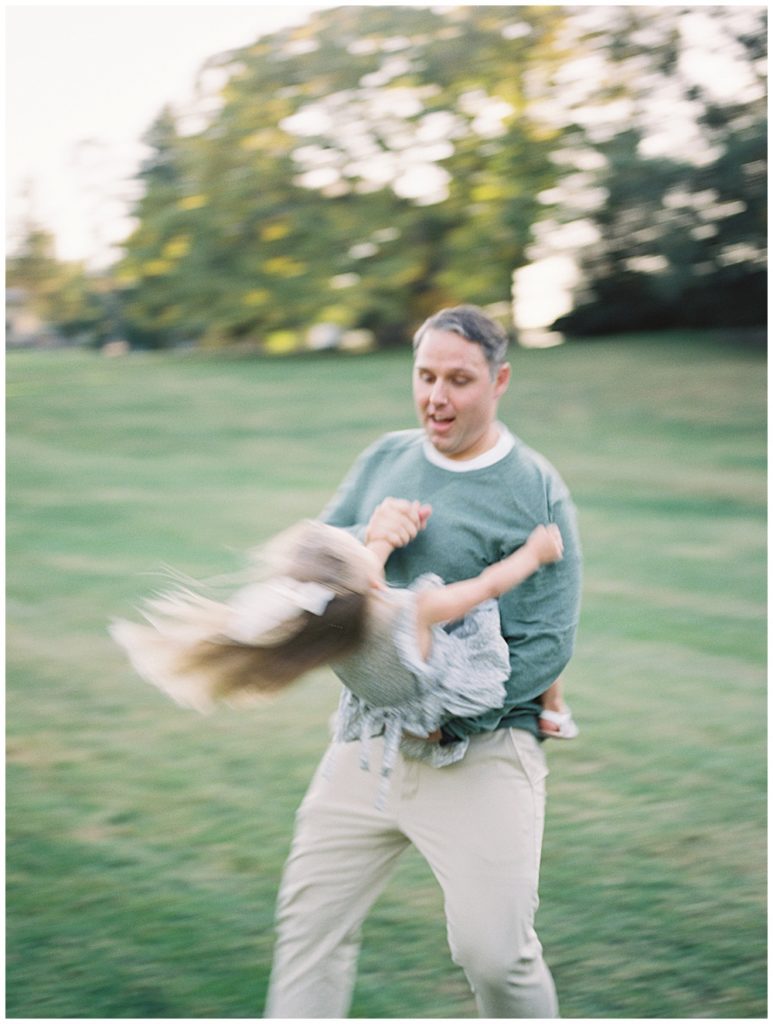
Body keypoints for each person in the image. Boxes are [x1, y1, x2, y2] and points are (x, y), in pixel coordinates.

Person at [263, 304, 582, 1018]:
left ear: (499, 381)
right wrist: (367, 533)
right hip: (368, 745)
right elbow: (319, 563)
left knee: (494, 956)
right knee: (308, 925)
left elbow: (548, 640)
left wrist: (452, 715)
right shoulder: (385, 458)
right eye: (425, 375)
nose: (437, 396)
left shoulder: (534, 491)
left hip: (480, 751)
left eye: (459, 380)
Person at [110, 516, 566, 809]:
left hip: (392, 698)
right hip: (442, 683)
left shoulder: (329, 632)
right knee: (512, 629)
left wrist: (382, 540)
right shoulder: (418, 610)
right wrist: (534, 553)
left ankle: (427, 731)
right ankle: (553, 707)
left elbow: (356, 582)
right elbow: (488, 585)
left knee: (399, 641)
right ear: (368, 578)